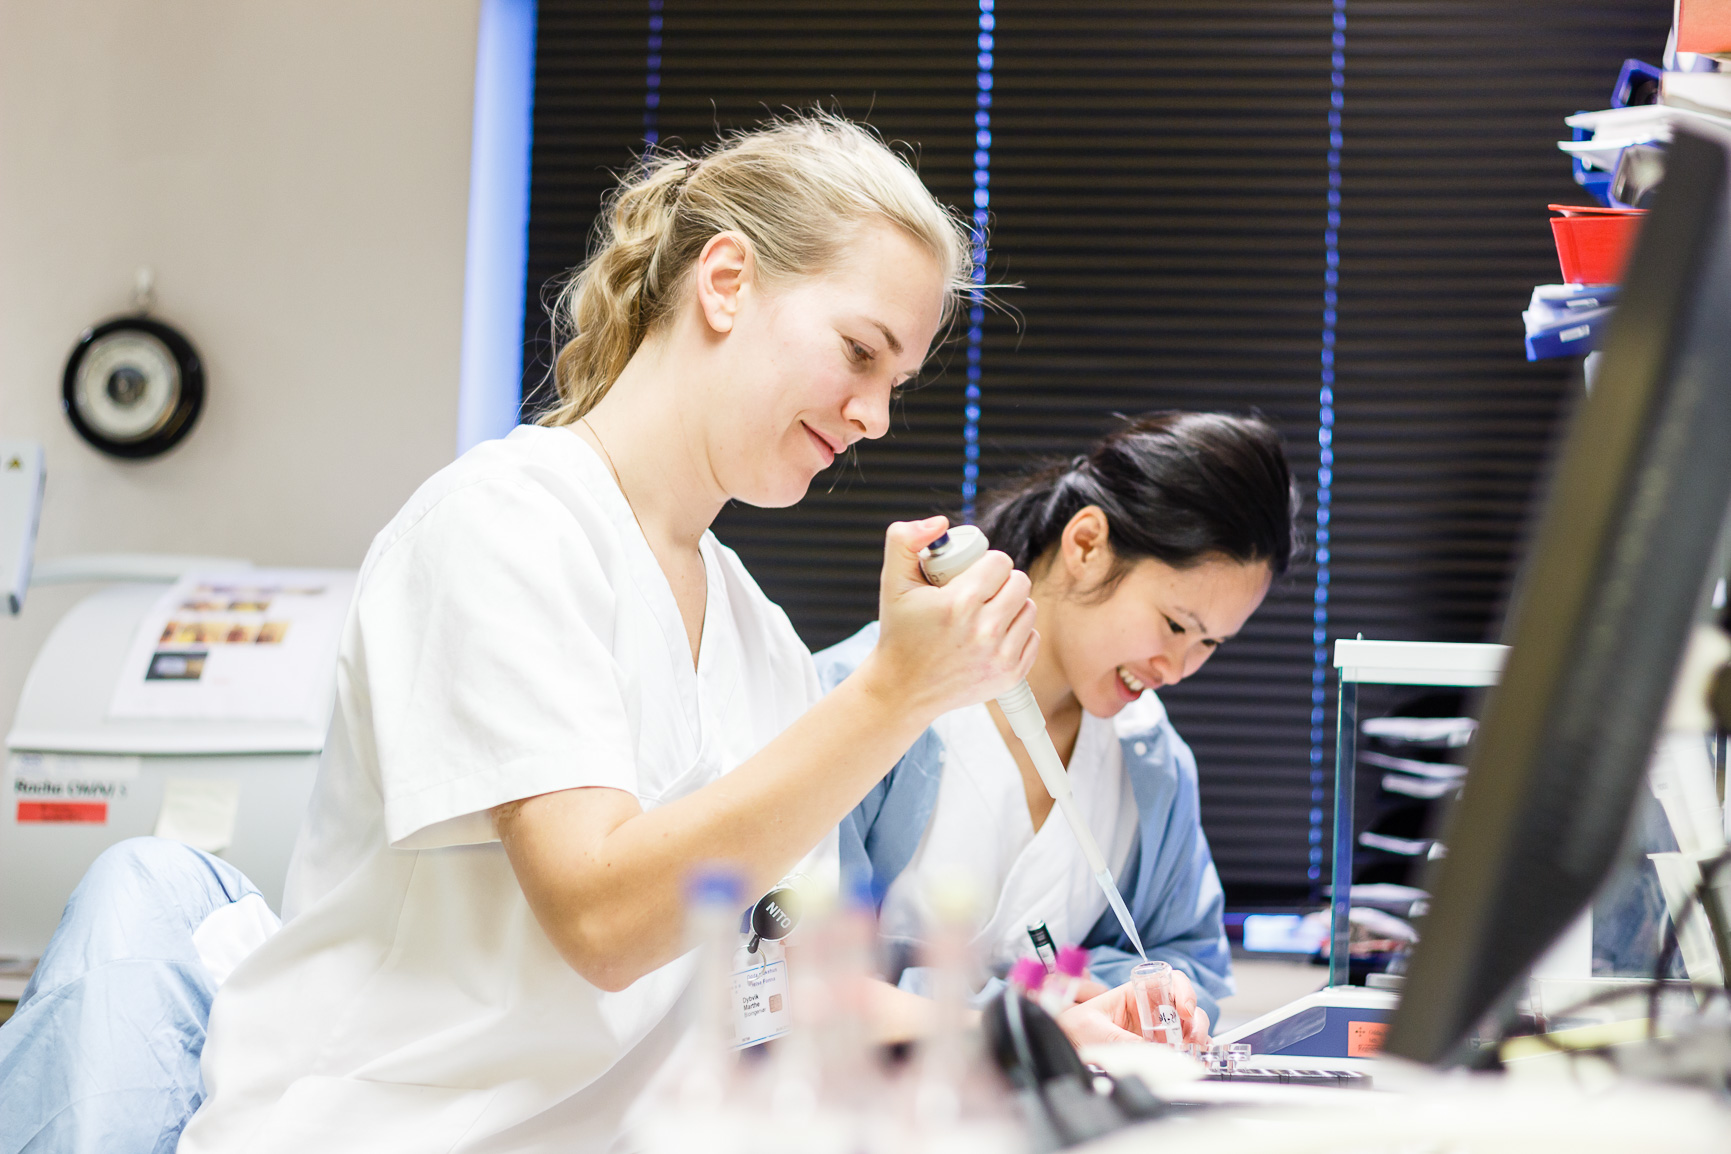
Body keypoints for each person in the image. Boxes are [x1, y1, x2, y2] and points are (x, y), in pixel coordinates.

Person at [0, 113, 1147, 1154]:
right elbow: (602, 915)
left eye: (899, 379)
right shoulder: (504, 525)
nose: (876, 415)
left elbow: (783, 977)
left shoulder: (757, 633)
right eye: (859, 352)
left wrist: (1016, 1022)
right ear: (729, 280)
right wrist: (893, 697)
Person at [815, 412, 1302, 1038]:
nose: (1179, 669)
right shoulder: (864, 699)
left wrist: (1131, 991)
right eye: (1176, 625)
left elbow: (1190, 958)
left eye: (1210, 643)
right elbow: (790, 976)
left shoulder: (1150, 761)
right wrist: (1026, 1011)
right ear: (1086, 545)